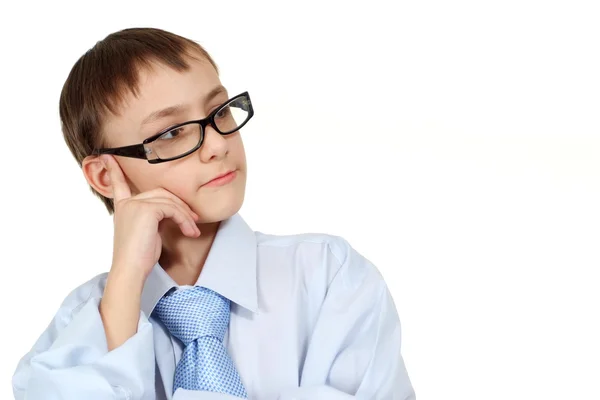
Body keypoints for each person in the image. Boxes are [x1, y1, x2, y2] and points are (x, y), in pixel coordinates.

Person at [12, 27, 415, 400]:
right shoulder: (79, 324)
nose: (217, 144)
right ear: (105, 174)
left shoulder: (328, 277)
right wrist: (125, 285)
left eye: (220, 111)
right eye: (171, 133)